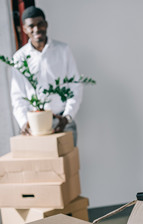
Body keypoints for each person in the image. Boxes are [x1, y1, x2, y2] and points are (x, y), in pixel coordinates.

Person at [11, 6, 82, 145]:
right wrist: (23, 122)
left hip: (62, 122)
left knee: (68, 165)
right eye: (31, 26)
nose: (37, 29)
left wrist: (67, 116)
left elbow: (75, 85)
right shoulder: (19, 58)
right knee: (42, 166)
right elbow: (17, 95)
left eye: (40, 24)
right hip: (34, 127)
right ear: (25, 29)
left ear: (46, 24)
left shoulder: (63, 51)